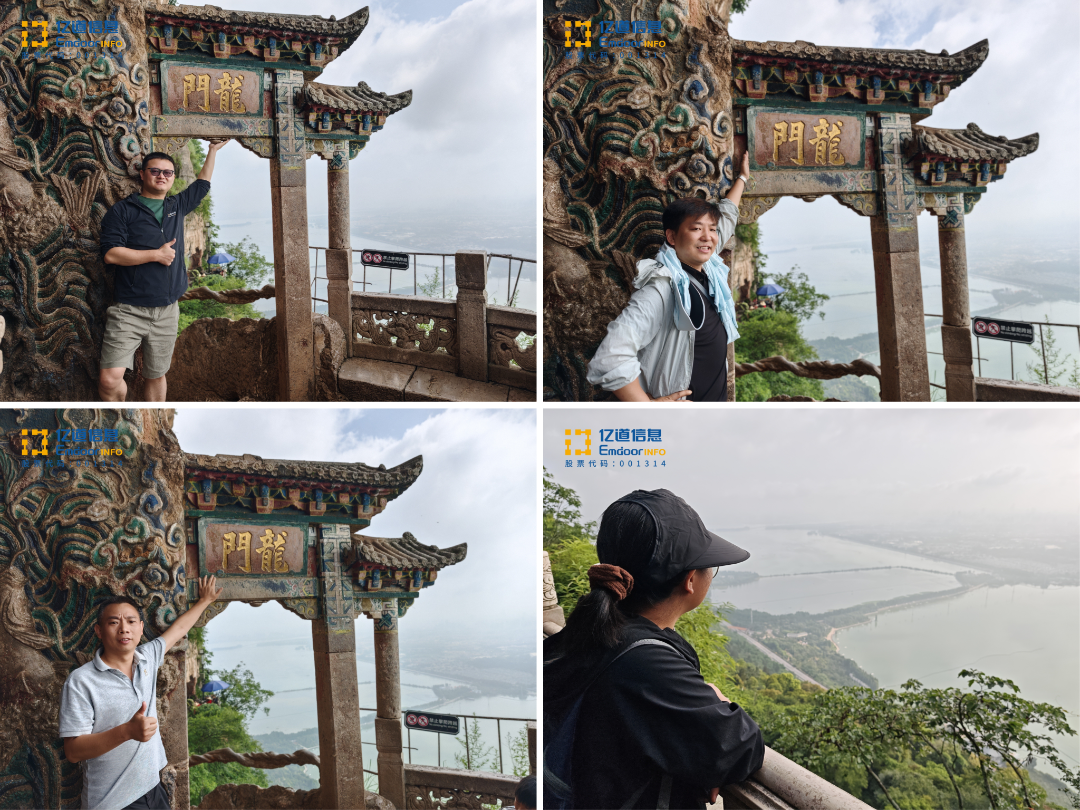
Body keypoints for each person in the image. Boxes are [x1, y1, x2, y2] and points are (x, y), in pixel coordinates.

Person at [544, 489, 764, 809]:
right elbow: (740, 747)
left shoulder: (590, 631)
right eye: (710, 568)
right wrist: (718, 699)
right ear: (690, 580)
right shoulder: (643, 662)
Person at [586, 152, 751, 402]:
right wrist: (649, 407)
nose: (707, 237)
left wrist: (742, 178)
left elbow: (727, 216)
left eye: (712, 230)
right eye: (696, 229)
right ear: (672, 238)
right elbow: (610, 357)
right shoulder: (663, 288)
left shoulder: (708, 266)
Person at [59, 576, 224, 809]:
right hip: (113, 801)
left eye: (131, 621)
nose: (124, 628)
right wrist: (127, 731)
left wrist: (205, 600)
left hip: (153, 788)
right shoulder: (81, 681)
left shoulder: (147, 658)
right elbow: (73, 751)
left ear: (141, 628)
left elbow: (179, 629)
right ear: (99, 630)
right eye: (114, 622)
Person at [97, 140, 229, 402]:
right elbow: (111, 254)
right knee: (109, 380)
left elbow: (202, 184)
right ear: (143, 174)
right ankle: (122, 412)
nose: (161, 176)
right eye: (155, 171)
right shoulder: (123, 211)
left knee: (156, 374)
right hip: (129, 309)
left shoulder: (176, 207)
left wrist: (213, 150)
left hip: (168, 309)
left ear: (172, 178)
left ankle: (149, 419)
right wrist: (155, 255)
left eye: (167, 172)